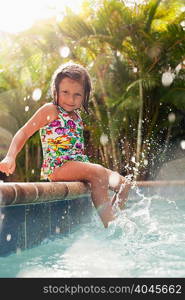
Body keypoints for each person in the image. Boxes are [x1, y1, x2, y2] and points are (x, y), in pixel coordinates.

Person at [0, 62, 131, 228]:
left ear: (85, 95)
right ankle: (111, 226)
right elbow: (24, 132)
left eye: (77, 94)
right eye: (65, 92)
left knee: (124, 184)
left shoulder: (77, 116)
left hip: (77, 164)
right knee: (97, 172)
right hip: (58, 166)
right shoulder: (51, 110)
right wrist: (10, 156)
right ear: (55, 91)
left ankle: (115, 219)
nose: (71, 99)